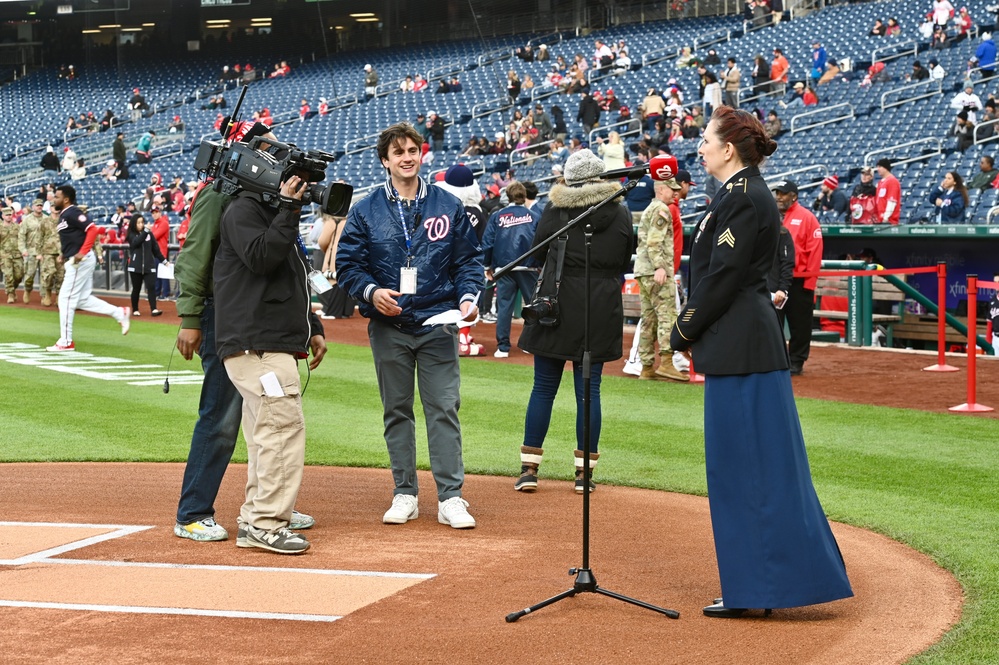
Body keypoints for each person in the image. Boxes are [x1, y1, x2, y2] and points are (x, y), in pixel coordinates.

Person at [669, 107, 852, 618]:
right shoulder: (738, 195)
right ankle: (759, 586)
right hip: (741, 346)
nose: (699, 147)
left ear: (728, 148)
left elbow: (723, 277)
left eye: (705, 139)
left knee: (747, 472)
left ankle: (761, 589)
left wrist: (684, 328)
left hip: (742, 348)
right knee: (749, 471)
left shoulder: (745, 197)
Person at [173, 122, 318, 543]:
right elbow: (195, 255)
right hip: (226, 316)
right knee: (221, 417)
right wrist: (190, 318)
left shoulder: (267, 202)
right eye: (272, 151)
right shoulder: (221, 196)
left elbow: (291, 271)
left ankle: (269, 504)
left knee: (260, 416)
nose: (281, 158)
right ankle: (193, 511)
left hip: (254, 314)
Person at [337, 122, 483, 529]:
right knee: (397, 411)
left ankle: (451, 497)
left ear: (422, 154)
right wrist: (369, 292)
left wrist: (469, 297)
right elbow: (348, 265)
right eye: (398, 151)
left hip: (438, 323)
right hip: (388, 326)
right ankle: (405, 492)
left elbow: (468, 260)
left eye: (412, 150)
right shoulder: (365, 209)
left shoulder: (447, 204)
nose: (406, 157)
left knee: (443, 410)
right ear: (385, 160)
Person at [213, 161, 326, 555]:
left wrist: (314, 329)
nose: (300, 188)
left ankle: (256, 517)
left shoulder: (270, 213)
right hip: (255, 344)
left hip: (268, 341)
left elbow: (288, 279)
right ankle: (265, 524)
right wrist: (288, 208)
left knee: (267, 434)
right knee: (280, 429)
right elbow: (262, 257)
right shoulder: (244, 209)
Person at [513, 148, 633, 494]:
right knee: (588, 392)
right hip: (600, 306)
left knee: (544, 388)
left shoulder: (556, 208)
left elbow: (537, 253)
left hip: (557, 302)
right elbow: (623, 258)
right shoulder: (621, 212)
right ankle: (584, 474)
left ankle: (529, 469)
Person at [45, 185, 130, 352]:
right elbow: (74, 236)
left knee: (65, 299)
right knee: (82, 299)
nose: (54, 199)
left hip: (81, 260)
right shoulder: (65, 215)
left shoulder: (72, 211)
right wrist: (65, 253)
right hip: (78, 259)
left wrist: (82, 252)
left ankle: (66, 341)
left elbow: (92, 229)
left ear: (66, 199)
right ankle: (119, 313)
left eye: (57, 196)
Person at [633, 178, 688, 381]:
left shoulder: (651, 208)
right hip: (655, 271)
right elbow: (654, 241)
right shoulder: (661, 210)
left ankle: (646, 368)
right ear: (661, 189)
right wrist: (660, 267)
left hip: (643, 270)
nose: (675, 193)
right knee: (667, 316)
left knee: (648, 319)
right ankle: (666, 362)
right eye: (671, 189)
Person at [482, 181, 540, 358]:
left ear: (508, 196)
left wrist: (487, 265)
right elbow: (542, 242)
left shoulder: (498, 216)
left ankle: (503, 347)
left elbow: (488, 242)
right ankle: (529, 344)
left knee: (504, 307)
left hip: (504, 267)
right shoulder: (534, 216)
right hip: (528, 267)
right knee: (533, 306)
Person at [772, 180, 823, 375]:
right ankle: (777, 359)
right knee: (773, 322)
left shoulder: (807, 218)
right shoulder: (771, 216)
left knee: (800, 324)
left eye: (783, 194)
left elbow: (815, 252)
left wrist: (809, 283)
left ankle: (797, 360)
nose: (779, 197)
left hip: (799, 280)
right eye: (778, 193)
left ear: (794, 196)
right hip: (776, 280)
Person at [126, 214, 164, 316]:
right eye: (138, 222)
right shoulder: (131, 234)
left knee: (151, 287)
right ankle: (135, 309)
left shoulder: (149, 234)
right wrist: (146, 231)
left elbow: (155, 249)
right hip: (135, 267)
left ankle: (154, 309)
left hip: (148, 266)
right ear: (134, 224)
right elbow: (136, 243)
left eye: (142, 222)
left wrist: (164, 261)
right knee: (136, 288)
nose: (141, 224)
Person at [18, 199, 45, 304]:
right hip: (30, 251)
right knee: (29, 275)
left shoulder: (47, 219)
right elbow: (21, 236)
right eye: (37, 205)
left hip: (43, 252)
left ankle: (44, 296)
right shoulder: (27, 220)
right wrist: (23, 249)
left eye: (41, 205)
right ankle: (27, 291)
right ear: (33, 207)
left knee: (44, 276)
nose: (39, 207)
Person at [36, 203, 62, 307]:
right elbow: (39, 237)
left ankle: (59, 296)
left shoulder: (63, 221)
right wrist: (38, 253)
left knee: (61, 276)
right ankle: (47, 293)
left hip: (61, 252)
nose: (55, 208)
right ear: (50, 208)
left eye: (57, 206)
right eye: (53, 206)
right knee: (49, 273)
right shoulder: (44, 221)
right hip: (47, 251)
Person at [1, 207, 24, 304]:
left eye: (10, 214)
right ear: (2, 216)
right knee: (8, 275)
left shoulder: (17, 227)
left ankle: (12, 289)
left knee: (19, 275)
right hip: (4, 255)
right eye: (6, 215)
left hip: (17, 254)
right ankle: (10, 294)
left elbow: (22, 239)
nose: (9, 216)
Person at [874, 158, 902, 225]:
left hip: (888, 222)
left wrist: (885, 218)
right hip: (879, 220)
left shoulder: (892, 181)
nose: (878, 169)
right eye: (877, 167)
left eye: (880, 167)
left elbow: (892, 201)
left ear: (885, 168)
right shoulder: (880, 182)